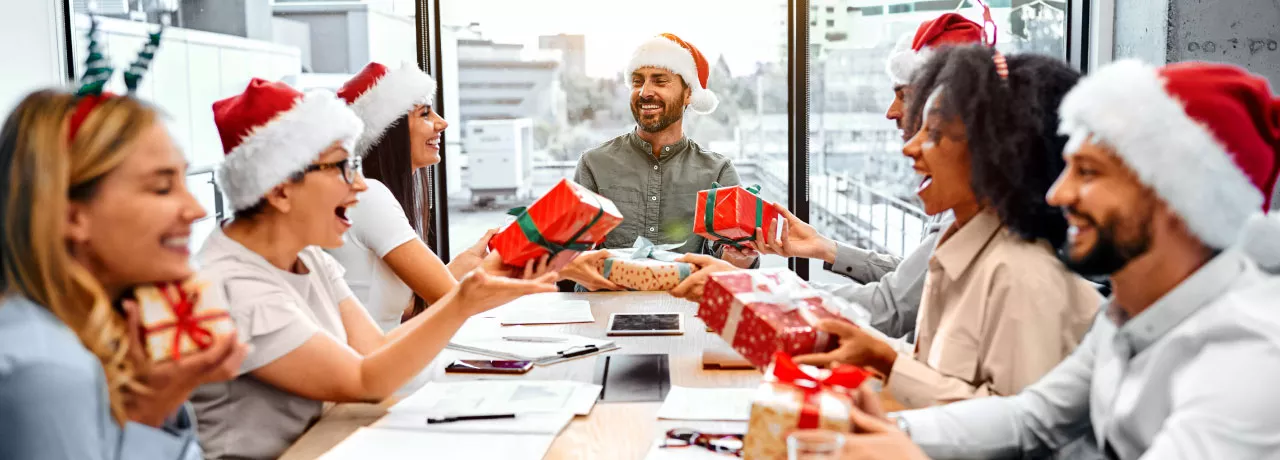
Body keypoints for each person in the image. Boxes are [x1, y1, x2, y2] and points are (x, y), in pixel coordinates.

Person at [839, 60, 1280, 460]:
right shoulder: (1129, 313)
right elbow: (1032, 418)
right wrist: (885, 430)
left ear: (1177, 198)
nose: (1057, 193)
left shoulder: (1249, 360)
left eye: (1088, 172)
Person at [677, 46, 1101, 409]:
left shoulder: (1022, 276)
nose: (910, 146)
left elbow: (1013, 427)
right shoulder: (962, 247)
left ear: (996, 153)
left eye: (933, 133)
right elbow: (932, 366)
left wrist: (750, 288)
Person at [190, 78, 558, 459]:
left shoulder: (308, 257)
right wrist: (461, 303)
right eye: (340, 168)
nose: (360, 187)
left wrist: (469, 293)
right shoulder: (235, 289)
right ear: (280, 190)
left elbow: (374, 349)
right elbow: (366, 380)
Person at [0, 48, 245, 458]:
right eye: (162, 187)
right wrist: (151, 412)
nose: (197, 209)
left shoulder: (91, 339)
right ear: (72, 216)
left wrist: (156, 406)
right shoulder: (47, 371)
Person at [754, 12, 986, 342]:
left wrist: (758, 290)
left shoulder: (973, 209)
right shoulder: (964, 199)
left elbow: (889, 307)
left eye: (903, 96)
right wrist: (826, 248)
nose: (891, 112)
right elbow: (917, 281)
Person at [560, 33, 757, 291]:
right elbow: (566, 266)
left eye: (660, 81)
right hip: (600, 313)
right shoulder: (593, 165)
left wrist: (738, 258)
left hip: (687, 312)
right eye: (637, 82)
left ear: (688, 93)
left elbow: (733, 270)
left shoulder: (718, 172)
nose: (644, 92)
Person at [330, 61, 492, 332]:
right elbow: (453, 301)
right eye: (425, 114)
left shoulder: (373, 197)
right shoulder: (369, 197)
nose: (442, 123)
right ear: (388, 132)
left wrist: (464, 264)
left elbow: (409, 309)